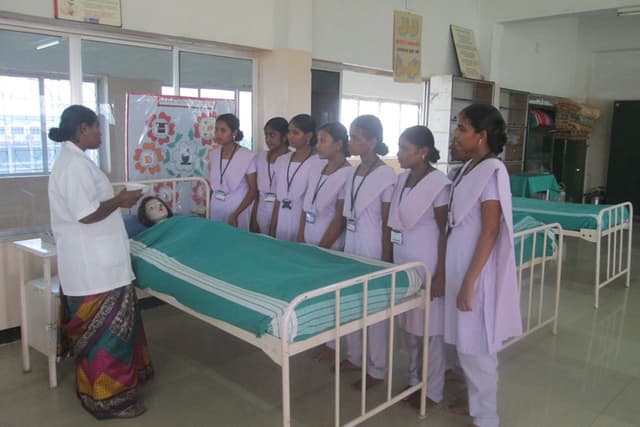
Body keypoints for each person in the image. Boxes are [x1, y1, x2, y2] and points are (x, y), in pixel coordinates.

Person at [48, 105, 153, 419]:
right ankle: (114, 401)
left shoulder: (76, 161)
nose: (100, 133)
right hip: (94, 269)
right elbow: (87, 214)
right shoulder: (73, 166)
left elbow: (90, 205)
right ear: (82, 128)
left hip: (95, 264)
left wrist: (117, 199)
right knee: (109, 339)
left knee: (103, 338)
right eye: (96, 127)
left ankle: (94, 392)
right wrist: (120, 200)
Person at [444, 104, 522, 427]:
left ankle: (487, 418)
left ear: (482, 135)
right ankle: (474, 403)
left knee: (477, 347)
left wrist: (470, 282)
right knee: (465, 343)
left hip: (476, 269)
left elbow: (490, 231)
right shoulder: (468, 167)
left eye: (463, 128)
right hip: (459, 262)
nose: (457, 134)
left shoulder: (491, 171)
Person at [388, 126, 450, 409]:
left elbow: (445, 232)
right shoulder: (401, 180)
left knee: (430, 331)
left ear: (423, 152)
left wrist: (440, 275)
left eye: (404, 148)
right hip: (402, 261)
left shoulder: (439, 184)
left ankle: (432, 390)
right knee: (409, 328)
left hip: (428, 264)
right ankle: (414, 380)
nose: (399, 153)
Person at [337, 115, 396, 389]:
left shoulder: (386, 175)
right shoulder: (353, 171)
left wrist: (385, 259)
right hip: (351, 240)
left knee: (374, 307)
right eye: (350, 136)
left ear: (372, 141)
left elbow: (386, 223)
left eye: (355, 137)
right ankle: (354, 355)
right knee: (351, 300)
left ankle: (377, 368)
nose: (350, 142)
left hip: (372, 244)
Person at [297, 122, 351, 250]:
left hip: (329, 246)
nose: (317, 145)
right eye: (318, 140)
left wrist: (322, 248)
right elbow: (306, 206)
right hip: (307, 240)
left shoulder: (348, 174)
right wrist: (301, 237)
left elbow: (340, 220)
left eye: (323, 141)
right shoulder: (317, 167)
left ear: (338, 144)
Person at [269, 114, 323, 241]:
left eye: (295, 133)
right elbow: (278, 198)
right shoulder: (282, 160)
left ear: (308, 135)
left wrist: (302, 233)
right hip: (282, 218)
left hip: (302, 221)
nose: (290, 136)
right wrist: (273, 225)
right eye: (289, 132)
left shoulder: (319, 162)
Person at [208, 113, 257, 230]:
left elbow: (253, 190)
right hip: (216, 207)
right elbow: (214, 185)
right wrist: (208, 207)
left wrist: (236, 213)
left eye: (223, 130)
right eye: (216, 129)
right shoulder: (214, 154)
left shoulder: (246, 156)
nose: (218, 134)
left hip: (237, 210)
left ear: (234, 132)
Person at [251, 117, 290, 234]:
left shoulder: (291, 159)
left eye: (272, 135)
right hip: (262, 211)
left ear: (284, 136)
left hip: (283, 212)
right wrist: (254, 218)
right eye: (266, 135)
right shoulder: (260, 157)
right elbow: (256, 193)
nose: (267, 139)